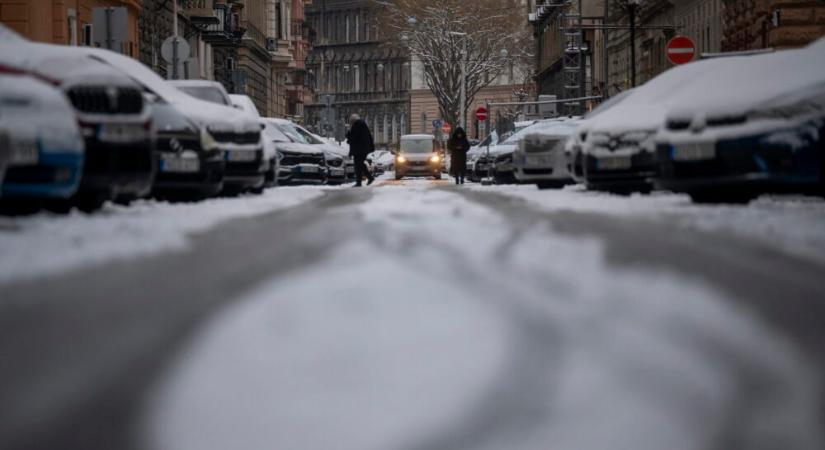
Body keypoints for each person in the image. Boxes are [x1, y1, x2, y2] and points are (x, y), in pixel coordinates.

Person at [346, 114, 375, 187]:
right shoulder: (361, 124)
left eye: (351, 122)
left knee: (358, 165)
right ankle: (368, 178)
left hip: (360, 150)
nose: (350, 124)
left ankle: (361, 181)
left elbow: (354, 138)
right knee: (360, 165)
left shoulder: (357, 125)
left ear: (352, 121)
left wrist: (349, 134)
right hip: (362, 149)